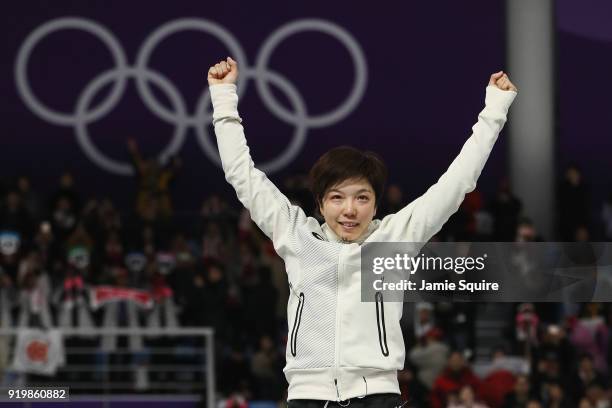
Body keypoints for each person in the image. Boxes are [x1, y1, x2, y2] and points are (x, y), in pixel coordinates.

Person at [208, 56, 517, 406]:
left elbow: (458, 182)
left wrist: (494, 110)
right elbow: (240, 174)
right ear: (321, 203)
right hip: (308, 396)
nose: (350, 209)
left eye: (362, 198)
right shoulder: (296, 235)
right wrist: (223, 96)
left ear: (375, 203)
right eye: (337, 197)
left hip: (377, 395)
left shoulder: (395, 237)